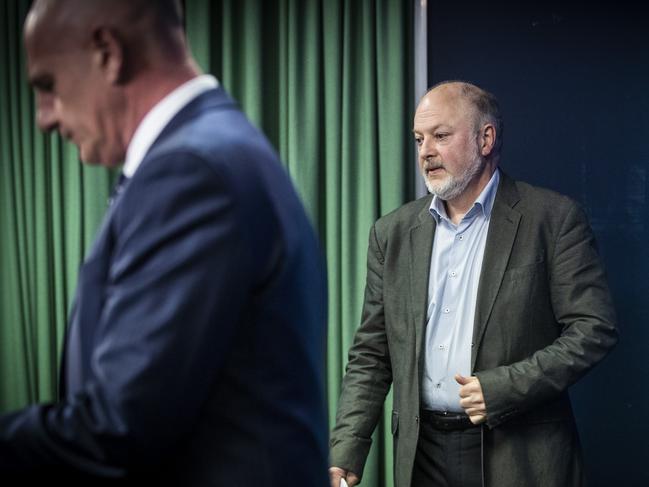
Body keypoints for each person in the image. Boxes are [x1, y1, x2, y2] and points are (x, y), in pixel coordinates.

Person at [0, 0, 329, 485]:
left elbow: (119, 428)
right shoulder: (216, 150)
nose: (43, 119)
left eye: (47, 85)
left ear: (108, 52)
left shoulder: (192, 171)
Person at [329, 81, 618, 487]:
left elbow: (594, 328)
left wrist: (504, 388)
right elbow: (372, 354)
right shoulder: (391, 233)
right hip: (421, 456)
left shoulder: (552, 219)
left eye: (441, 136)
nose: (425, 151)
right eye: (418, 139)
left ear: (486, 139)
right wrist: (347, 449)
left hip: (520, 456)